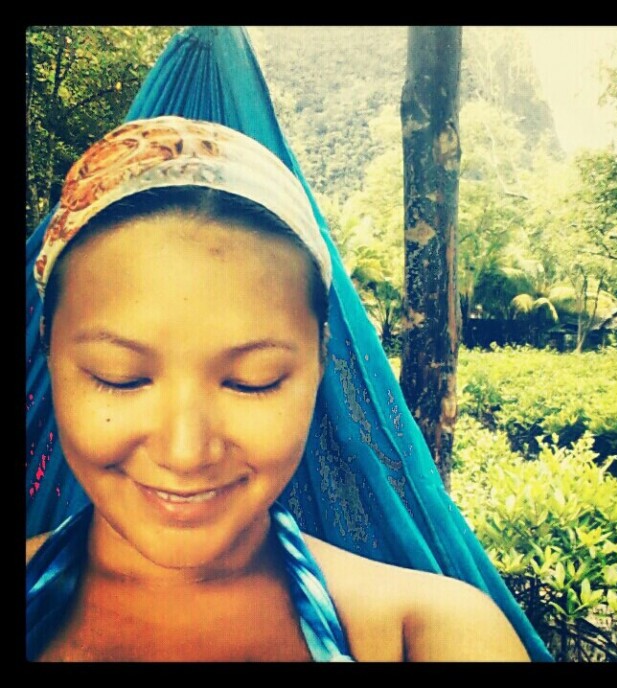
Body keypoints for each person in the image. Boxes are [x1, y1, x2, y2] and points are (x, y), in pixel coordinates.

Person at [26, 115, 531, 662]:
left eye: (253, 382)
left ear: (320, 360)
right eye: (118, 376)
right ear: (49, 348)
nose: (185, 453)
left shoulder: (427, 635)